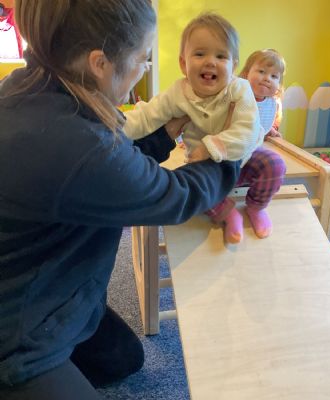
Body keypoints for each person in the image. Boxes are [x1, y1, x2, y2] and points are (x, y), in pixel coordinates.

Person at [0, 1, 241, 399]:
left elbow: (109, 172)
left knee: (122, 359)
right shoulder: (77, 143)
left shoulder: (36, 84)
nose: (144, 69)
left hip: (52, 286)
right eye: (143, 59)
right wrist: (231, 150)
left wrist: (165, 134)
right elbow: (176, 196)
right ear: (99, 63)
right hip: (16, 338)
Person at [124, 13, 286, 244]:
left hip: (243, 159)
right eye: (200, 54)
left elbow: (247, 131)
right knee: (188, 191)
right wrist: (116, 128)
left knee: (275, 164)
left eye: (221, 56)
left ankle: (256, 207)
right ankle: (227, 212)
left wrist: (210, 147)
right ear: (183, 63)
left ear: (233, 66)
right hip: (204, 168)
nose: (211, 62)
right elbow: (147, 116)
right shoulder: (178, 92)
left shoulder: (239, 89)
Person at [239, 48, 286, 138]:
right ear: (246, 73)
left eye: (274, 76)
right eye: (261, 71)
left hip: (258, 142)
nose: (267, 78)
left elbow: (269, 122)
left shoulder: (273, 103)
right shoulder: (239, 95)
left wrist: (269, 130)